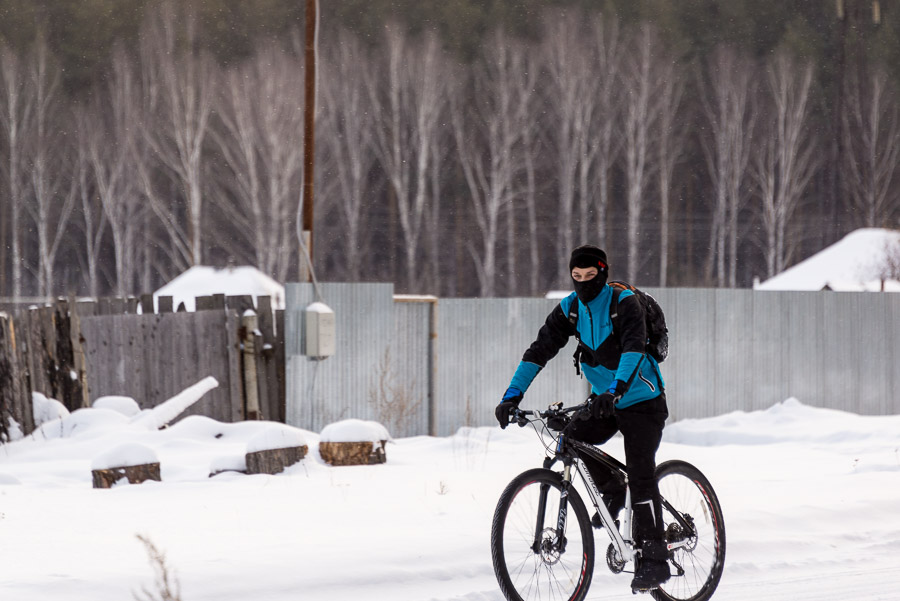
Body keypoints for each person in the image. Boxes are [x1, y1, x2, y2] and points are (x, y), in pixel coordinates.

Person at [495, 244, 670, 591]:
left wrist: (616, 391)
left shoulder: (623, 304)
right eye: (577, 277)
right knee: (571, 439)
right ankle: (612, 489)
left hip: (642, 399)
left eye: (591, 277)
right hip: (605, 400)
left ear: (603, 274)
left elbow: (634, 348)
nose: (584, 283)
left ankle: (654, 558)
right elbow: (539, 351)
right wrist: (511, 396)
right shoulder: (570, 309)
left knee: (641, 472)